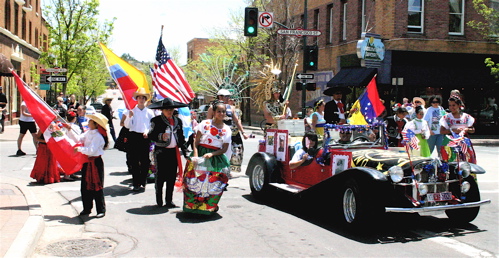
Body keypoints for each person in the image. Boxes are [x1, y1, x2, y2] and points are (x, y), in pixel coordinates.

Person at [148, 98, 188, 207]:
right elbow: (150, 135)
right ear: (162, 110)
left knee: (171, 177)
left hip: (173, 152)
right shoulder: (156, 120)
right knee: (160, 176)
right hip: (161, 151)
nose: (169, 111)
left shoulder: (177, 121)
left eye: (171, 109)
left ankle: (169, 200)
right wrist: (161, 136)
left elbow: (181, 138)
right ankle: (159, 200)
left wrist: (185, 151)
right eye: (166, 109)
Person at [75, 113, 109, 218]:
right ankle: (87, 208)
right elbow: (79, 138)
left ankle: (101, 209)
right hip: (87, 162)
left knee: (97, 187)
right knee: (85, 186)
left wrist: (80, 149)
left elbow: (91, 151)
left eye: (90, 121)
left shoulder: (98, 136)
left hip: (95, 163)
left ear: (95, 124)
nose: (88, 122)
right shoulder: (88, 133)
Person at [207, 89, 248, 172]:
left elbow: (236, 121)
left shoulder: (231, 108)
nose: (227, 98)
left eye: (228, 97)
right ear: (220, 97)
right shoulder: (212, 108)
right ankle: (218, 170)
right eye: (226, 96)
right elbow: (208, 121)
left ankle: (227, 169)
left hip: (231, 134)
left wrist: (243, 132)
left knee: (235, 152)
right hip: (218, 134)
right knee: (219, 152)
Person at [124, 88, 155, 192]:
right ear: (137, 99)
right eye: (139, 97)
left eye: (143, 98)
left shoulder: (149, 112)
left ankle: (143, 181)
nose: (141, 99)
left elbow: (151, 125)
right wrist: (129, 117)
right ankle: (136, 182)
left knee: (145, 161)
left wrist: (148, 131)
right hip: (134, 137)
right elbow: (128, 126)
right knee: (134, 161)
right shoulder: (132, 111)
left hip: (144, 137)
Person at [193, 102, 232, 174]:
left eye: (223, 111)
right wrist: (196, 156)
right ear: (214, 112)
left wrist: (212, 154)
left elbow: (224, 149)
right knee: (197, 179)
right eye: (219, 111)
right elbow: (196, 141)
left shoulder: (227, 129)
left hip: (216, 159)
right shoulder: (205, 124)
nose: (221, 113)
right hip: (201, 155)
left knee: (213, 181)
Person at [440, 96, 476, 163]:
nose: (451, 107)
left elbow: (473, 130)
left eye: (454, 105)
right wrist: (453, 130)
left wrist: (466, 129)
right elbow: (442, 131)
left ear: (459, 105)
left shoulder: (466, 117)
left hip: (464, 142)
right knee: (450, 162)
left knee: (467, 161)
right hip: (450, 143)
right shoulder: (446, 118)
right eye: (450, 105)